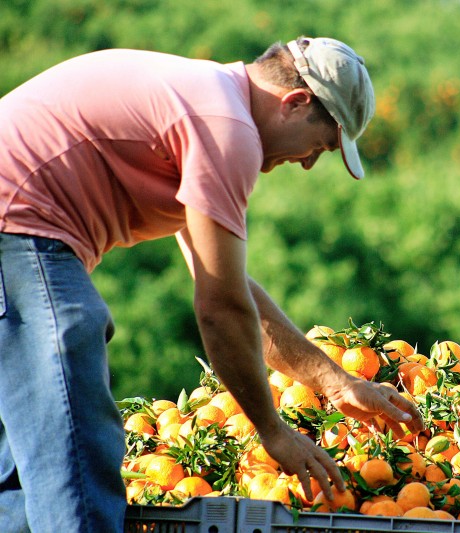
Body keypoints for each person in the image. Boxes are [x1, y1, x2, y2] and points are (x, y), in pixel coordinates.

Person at [0, 36, 423, 532]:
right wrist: (273, 431)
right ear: (296, 102)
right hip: (20, 226)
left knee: (23, 473)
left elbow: (230, 288)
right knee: (74, 439)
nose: (310, 162)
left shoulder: (204, 97)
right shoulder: (227, 128)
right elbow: (220, 310)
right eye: (322, 144)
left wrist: (337, 382)